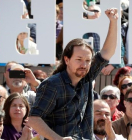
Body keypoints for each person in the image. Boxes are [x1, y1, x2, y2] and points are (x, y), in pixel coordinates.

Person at [28, 8, 118, 140]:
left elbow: (107, 52)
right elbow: (34, 119)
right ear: (67, 60)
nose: (84, 64)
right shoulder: (52, 84)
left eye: (88, 60)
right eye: (79, 59)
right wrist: (59, 139)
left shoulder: (87, 76)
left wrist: (113, 22)